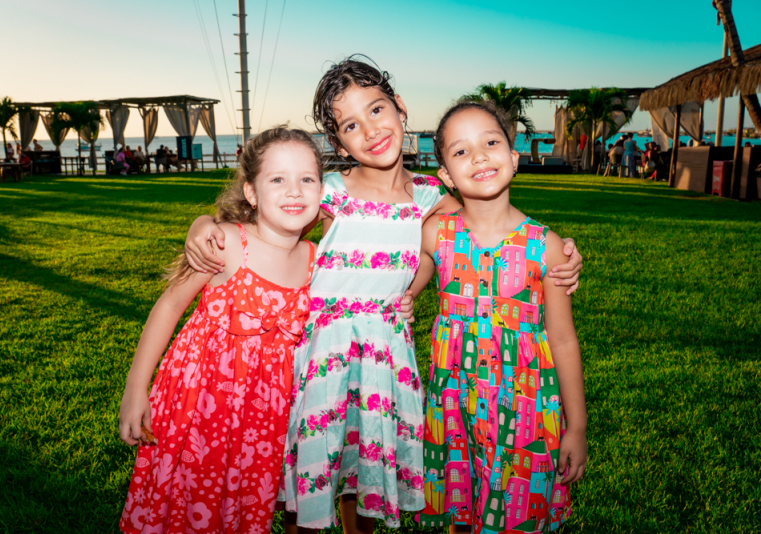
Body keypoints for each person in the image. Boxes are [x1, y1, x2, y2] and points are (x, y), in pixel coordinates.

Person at [181, 56, 584, 533]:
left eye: (376, 110)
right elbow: (266, 223)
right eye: (351, 125)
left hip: (384, 360)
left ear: (400, 107)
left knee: (365, 475)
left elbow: (476, 227)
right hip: (323, 358)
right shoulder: (328, 192)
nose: (371, 130)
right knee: (308, 487)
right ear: (336, 142)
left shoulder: (431, 196)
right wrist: (204, 224)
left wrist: (559, 254)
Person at [118, 127, 323, 534]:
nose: (294, 191)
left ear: (322, 189)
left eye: (307, 179)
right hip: (200, 406)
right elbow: (170, 305)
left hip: (266, 420)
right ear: (252, 193)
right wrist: (134, 389)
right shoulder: (228, 242)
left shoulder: (317, 261)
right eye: (278, 179)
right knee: (189, 499)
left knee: (244, 506)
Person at [406, 100, 587, 534]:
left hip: (525, 410)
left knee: (517, 515)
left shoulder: (545, 245)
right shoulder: (434, 235)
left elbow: (562, 340)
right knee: (463, 511)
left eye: (491, 142)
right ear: (446, 175)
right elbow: (398, 283)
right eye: (461, 151)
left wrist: (577, 427)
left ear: (514, 156)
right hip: (455, 409)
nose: (480, 156)